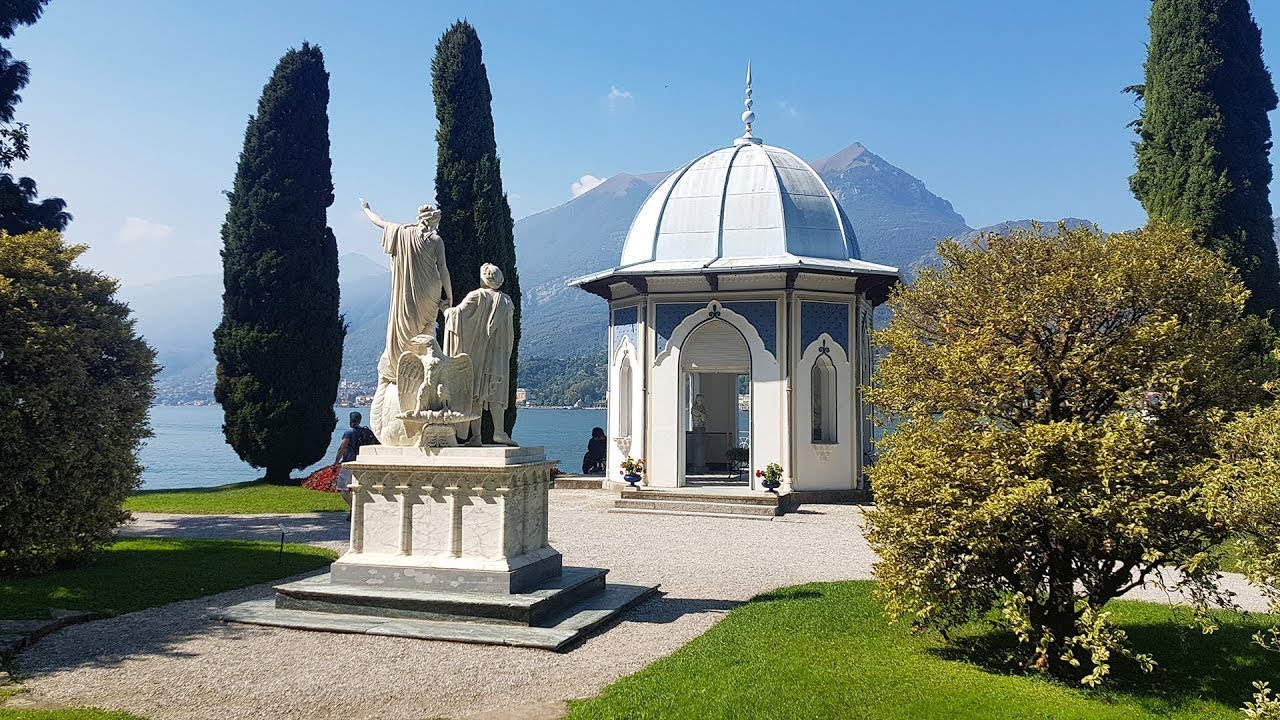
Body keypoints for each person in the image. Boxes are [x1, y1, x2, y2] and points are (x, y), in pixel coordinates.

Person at [443, 262, 516, 446]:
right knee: (497, 391)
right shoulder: (507, 301)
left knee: (476, 392)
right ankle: (499, 431)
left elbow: (457, 316)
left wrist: (444, 309)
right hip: (499, 354)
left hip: (479, 353)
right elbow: (510, 333)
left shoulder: (476, 296)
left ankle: (477, 435)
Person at [334, 411, 378, 512]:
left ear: (350, 420)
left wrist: (336, 461)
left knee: (342, 488)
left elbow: (342, 447)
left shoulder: (349, 432)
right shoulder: (367, 432)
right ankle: (357, 508)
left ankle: (353, 507)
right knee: (359, 488)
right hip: (363, 463)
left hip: (349, 464)